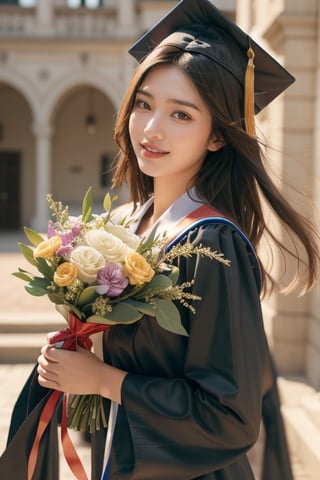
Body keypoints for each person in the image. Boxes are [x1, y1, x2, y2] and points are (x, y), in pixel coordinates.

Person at [1, 0, 319, 479]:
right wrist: (82, 348)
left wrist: (105, 381)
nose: (151, 129)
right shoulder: (135, 224)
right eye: (144, 104)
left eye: (182, 115)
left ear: (217, 136)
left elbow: (230, 418)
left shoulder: (213, 245)